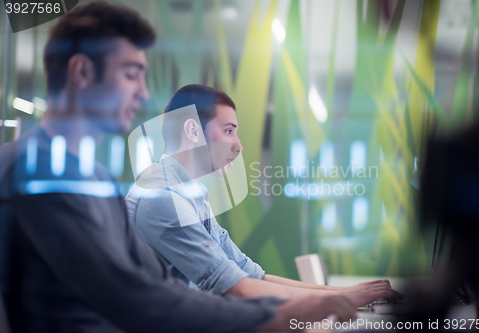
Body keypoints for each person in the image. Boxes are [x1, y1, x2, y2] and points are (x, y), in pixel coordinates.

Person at [0, 2, 359, 332]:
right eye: (131, 73)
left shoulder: (97, 178)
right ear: (81, 71)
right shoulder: (38, 172)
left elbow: (158, 286)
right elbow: (135, 298)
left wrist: (308, 304)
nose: (142, 93)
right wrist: (272, 316)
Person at [125, 84, 403, 306]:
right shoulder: (161, 196)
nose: (239, 146)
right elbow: (234, 288)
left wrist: (344, 293)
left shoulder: (190, 192)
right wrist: (342, 298)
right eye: (228, 130)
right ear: (193, 130)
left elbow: (249, 274)